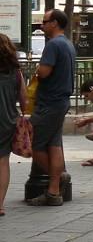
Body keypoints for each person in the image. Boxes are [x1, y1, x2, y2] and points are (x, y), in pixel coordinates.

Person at [28, 9, 76, 206]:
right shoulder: (68, 44)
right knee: (53, 145)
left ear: (55, 23)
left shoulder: (53, 45)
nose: (42, 25)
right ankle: (54, 192)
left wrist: (38, 70)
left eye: (45, 21)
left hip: (49, 102)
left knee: (36, 144)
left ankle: (57, 181)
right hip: (61, 101)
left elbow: (44, 72)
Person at [0, 33, 27, 215]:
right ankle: (0, 204)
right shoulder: (15, 72)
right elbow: (24, 100)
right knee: (2, 162)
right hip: (7, 121)